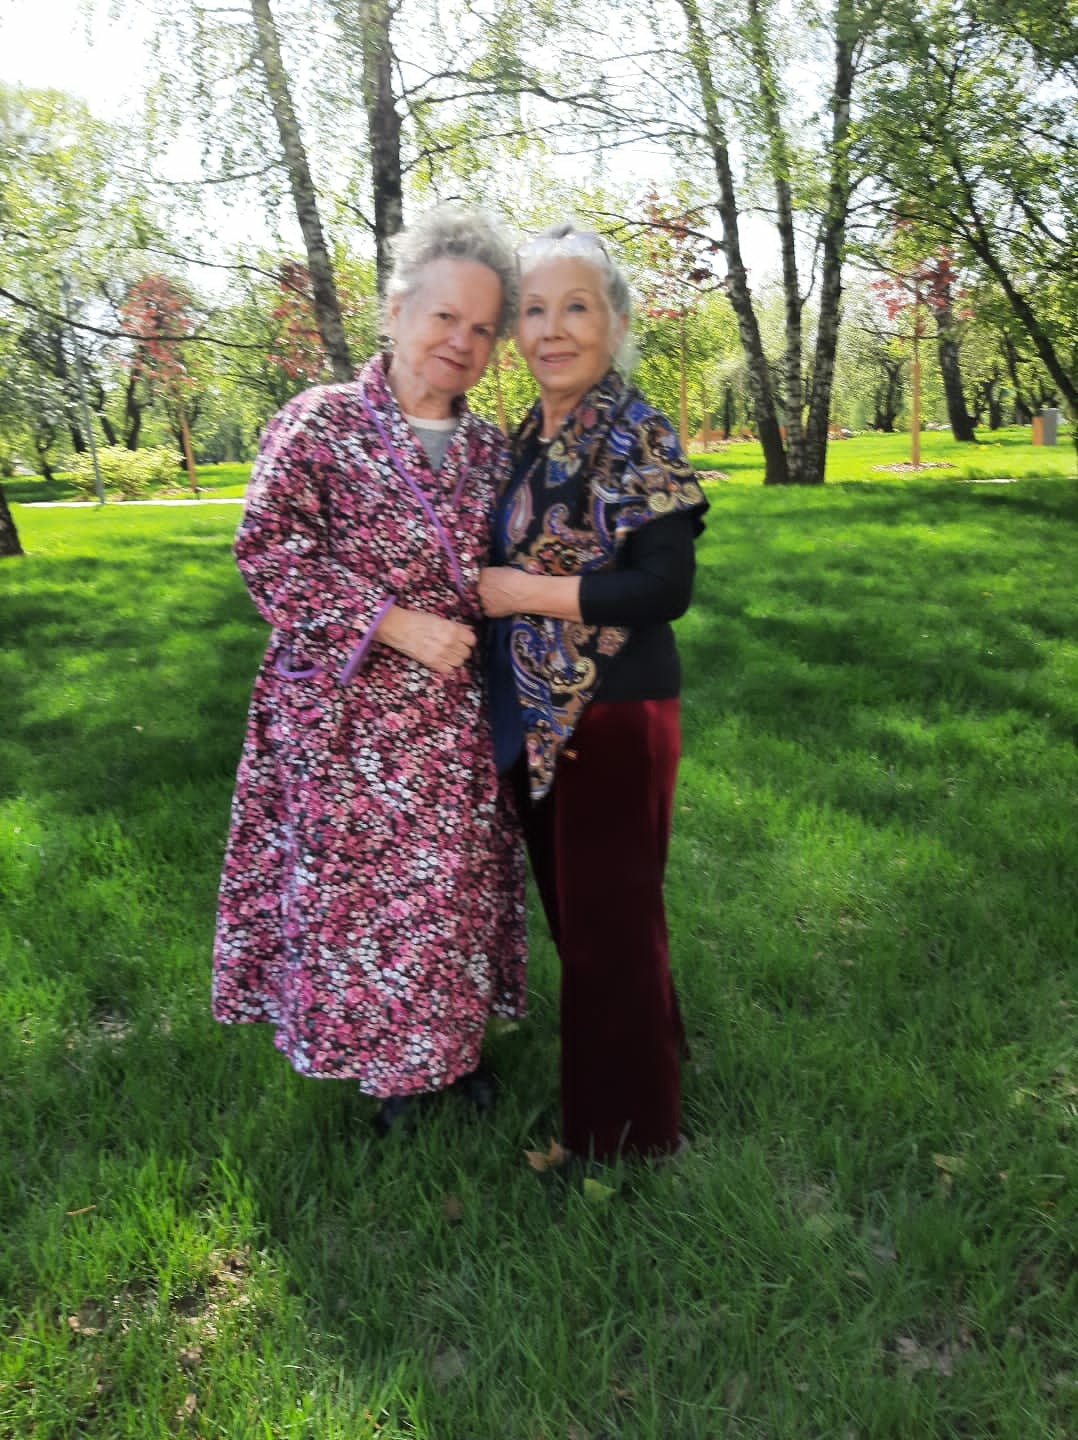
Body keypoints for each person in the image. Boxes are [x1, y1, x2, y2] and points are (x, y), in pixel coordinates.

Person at [213, 205, 526, 1136]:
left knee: (450, 892)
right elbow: (268, 551)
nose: (461, 342)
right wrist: (389, 623)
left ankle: (448, 1056)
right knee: (365, 900)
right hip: (346, 722)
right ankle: (387, 1073)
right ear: (395, 311)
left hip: (456, 722)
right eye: (444, 316)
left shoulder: (492, 450)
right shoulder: (320, 423)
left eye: (483, 329)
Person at [479, 223, 709, 1162]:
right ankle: (655, 1060)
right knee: (594, 919)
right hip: (540, 716)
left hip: (613, 709)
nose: (552, 329)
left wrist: (523, 593)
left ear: (615, 322)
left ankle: (624, 1139)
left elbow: (666, 587)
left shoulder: (633, 429)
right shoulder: (529, 437)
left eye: (576, 307)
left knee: (609, 925)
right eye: (534, 310)